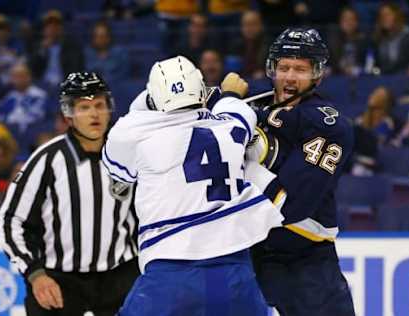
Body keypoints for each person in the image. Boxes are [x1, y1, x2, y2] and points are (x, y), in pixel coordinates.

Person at [102, 55, 284, 316]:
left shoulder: (133, 132)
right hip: (233, 271)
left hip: (171, 270)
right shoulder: (233, 123)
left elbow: (121, 173)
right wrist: (228, 93)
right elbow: (237, 108)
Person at [0, 72, 140, 316]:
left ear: (109, 108)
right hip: (60, 279)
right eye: (84, 107)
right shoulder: (47, 160)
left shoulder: (131, 154)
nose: (94, 114)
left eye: (99, 105)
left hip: (120, 276)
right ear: (69, 115)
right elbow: (11, 220)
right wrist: (35, 274)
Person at [248, 28, 356, 316]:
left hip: (305, 259)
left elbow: (290, 206)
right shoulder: (246, 109)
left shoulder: (329, 125)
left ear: (317, 75)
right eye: (283, 67)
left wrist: (247, 168)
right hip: (245, 254)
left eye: (300, 69)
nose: (290, 77)